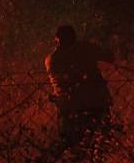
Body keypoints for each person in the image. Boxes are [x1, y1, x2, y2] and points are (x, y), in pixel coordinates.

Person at [44, 25, 115, 154]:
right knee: (102, 142)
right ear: (74, 37)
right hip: (95, 103)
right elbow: (109, 57)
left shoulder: (51, 59)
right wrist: (96, 44)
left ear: (56, 39)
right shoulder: (85, 49)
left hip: (68, 107)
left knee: (74, 145)